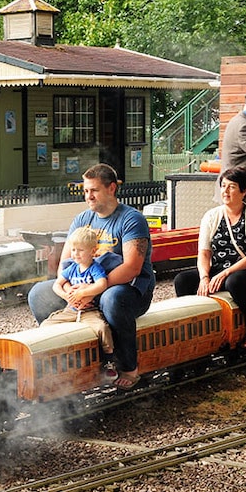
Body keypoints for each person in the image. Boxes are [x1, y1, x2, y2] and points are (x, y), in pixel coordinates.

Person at [27, 163, 155, 389]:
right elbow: (65, 265)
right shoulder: (81, 220)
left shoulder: (131, 219)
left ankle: (128, 366)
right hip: (84, 290)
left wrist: (92, 292)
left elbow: (132, 268)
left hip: (129, 291)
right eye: (86, 191)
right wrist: (71, 294)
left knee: (111, 299)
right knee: (38, 293)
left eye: (94, 190)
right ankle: (67, 356)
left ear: (112, 189)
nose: (88, 196)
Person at [174, 167, 246, 350]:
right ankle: (194, 328)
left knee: (235, 282)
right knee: (182, 280)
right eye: (223, 186)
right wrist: (204, 277)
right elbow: (204, 252)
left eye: (231, 187)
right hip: (216, 270)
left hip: (243, 272)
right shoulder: (211, 216)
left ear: (244, 191)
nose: (225, 191)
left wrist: (225, 273)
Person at [39, 226, 115, 372]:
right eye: (73, 250)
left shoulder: (95, 268)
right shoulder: (72, 268)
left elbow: (102, 284)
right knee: (46, 325)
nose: (75, 254)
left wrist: (83, 293)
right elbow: (57, 285)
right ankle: (53, 359)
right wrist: (67, 296)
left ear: (92, 251)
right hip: (71, 309)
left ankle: (109, 362)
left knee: (102, 329)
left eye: (80, 250)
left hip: (89, 311)